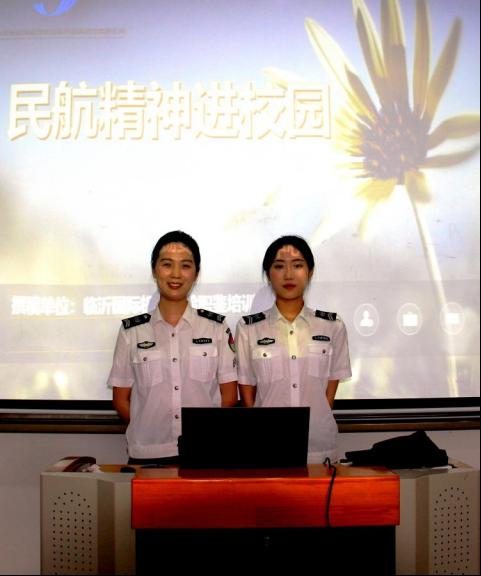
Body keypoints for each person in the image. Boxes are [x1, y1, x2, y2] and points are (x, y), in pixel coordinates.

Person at [108, 230, 238, 464]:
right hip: (147, 455)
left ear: (196, 273)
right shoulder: (132, 331)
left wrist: (205, 433)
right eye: (167, 264)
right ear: (154, 270)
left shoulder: (216, 328)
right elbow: (120, 399)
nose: (176, 274)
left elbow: (228, 396)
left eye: (185, 266)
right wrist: (146, 428)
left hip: (204, 453)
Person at [235, 235, 351, 463]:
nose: (288, 275)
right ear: (268, 274)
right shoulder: (248, 328)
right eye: (279, 266)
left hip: (319, 446)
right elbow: (248, 396)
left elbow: (329, 395)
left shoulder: (332, 326)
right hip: (266, 446)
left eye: (297, 265)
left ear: (310, 272)